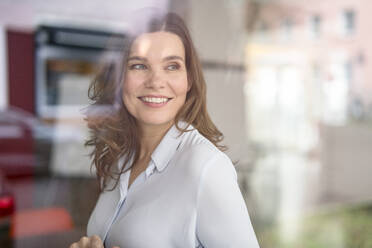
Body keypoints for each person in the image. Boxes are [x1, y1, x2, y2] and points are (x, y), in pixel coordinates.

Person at [69, 10, 260, 248]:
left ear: (189, 79)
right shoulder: (121, 158)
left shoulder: (206, 168)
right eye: (139, 65)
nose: (156, 81)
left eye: (172, 66)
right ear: (119, 78)